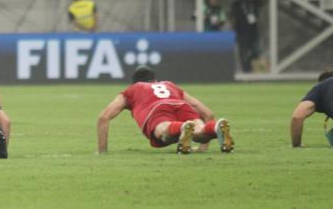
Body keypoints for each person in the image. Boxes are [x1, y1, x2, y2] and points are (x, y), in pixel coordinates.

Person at [97, 65, 233, 155]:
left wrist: (102, 151)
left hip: (156, 109)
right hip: (181, 105)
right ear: (155, 80)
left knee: (163, 130)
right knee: (198, 129)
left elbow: (104, 117)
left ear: (134, 82)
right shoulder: (169, 85)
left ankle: (182, 128)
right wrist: (203, 147)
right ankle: (216, 127)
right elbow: (206, 112)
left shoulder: (132, 89)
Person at [231, 0, 260, 72]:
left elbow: (257, 16)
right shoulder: (236, 5)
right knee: (243, 54)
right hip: (241, 33)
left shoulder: (254, 3)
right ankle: (246, 71)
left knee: (256, 52)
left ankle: (254, 71)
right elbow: (233, 18)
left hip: (253, 32)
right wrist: (234, 31)